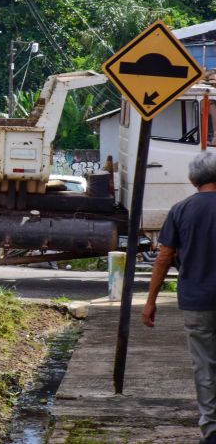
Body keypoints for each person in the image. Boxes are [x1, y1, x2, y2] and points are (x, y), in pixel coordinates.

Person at [143, 150, 216, 444]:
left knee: (205, 366)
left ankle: (212, 432)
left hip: (197, 301)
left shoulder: (180, 209)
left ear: (191, 179)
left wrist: (150, 301)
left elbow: (163, 258)